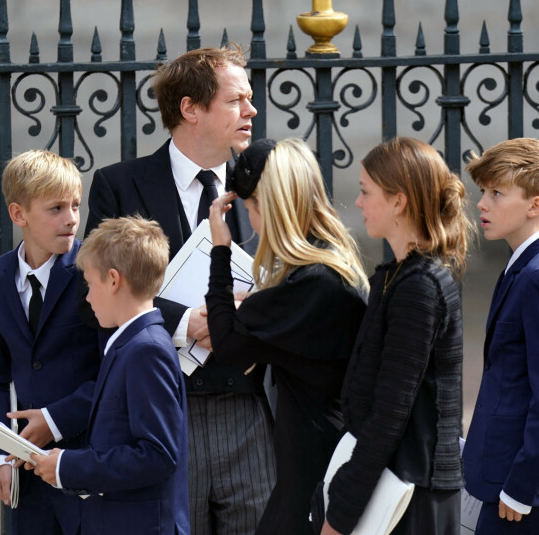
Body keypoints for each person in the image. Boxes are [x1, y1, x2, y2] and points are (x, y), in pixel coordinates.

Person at [82, 44, 275, 535]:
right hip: (164, 409)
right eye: (236, 100)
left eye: (249, 99)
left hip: (249, 409)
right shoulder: (119, 186)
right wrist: (186, 322)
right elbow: (102, 293)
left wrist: (254, 310)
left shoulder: (269, 183)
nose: (251, 110)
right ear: (189, 108)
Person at [205, 138, 369, 535]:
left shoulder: (313, 282)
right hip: (317, 453)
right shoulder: (327, 265)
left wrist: (221, 251)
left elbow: (226, 344)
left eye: (250, 209)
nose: (251, 221)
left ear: (271, 208)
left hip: (317, 463)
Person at [322, 137, 470, 535]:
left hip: (411, 494)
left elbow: (390, 414)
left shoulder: (419, 287)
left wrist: (338, 517)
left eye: (366, 191)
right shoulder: (397, 278)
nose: (358, 202)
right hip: (398, 483)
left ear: (399, 201)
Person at [28, 215, 189, 535]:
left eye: (89, 284)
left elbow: (157, 454)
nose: (86, 298)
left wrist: (67, 467)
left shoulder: (146, 351)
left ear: (113, 280)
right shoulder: (130, 344)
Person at [461, 138, 539, 534]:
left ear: (535, 205)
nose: (482, 203)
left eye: (497, 193)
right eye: (483, 192)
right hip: (512, 470)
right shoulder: (531, 264)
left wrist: (522, 487)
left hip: (526, 482)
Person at [0, 149, 100, 534]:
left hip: (88, 465)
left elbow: (115, 371)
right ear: (18, 214)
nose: (72, 219)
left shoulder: (93, 270)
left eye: (76, 205)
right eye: (56, 208)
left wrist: (55, 420)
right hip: (26, 477)